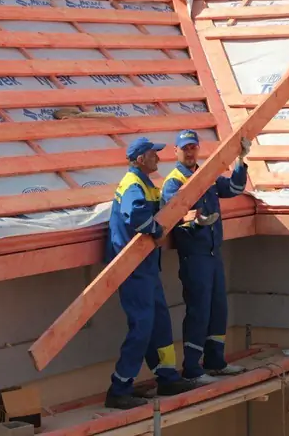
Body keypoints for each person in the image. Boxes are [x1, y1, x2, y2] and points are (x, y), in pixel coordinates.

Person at [104, 136, 198, 411]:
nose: (158, 157)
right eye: (153, 154)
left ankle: (167, 377)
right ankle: (119, 388)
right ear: (140, 159)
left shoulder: (146, 184)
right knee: (142, 325)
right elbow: (137, 217)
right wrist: (157, 229)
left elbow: (156, 210)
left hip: (145, 265)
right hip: (132, 266)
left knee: (159, 321)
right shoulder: (133, 184)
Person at [162, 130, 251, 385]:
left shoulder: (207, 175)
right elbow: (172, 216)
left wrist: (240, 161)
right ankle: (192, 368)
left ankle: (215, 361)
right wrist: (195, 221)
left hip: (213, 253)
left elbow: (234, 188)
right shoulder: (174, 181)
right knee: (198, 310)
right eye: (185, 148)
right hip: (194, 255)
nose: (189, 152)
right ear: (176, 152)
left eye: (193, 147)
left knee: (217, 309)